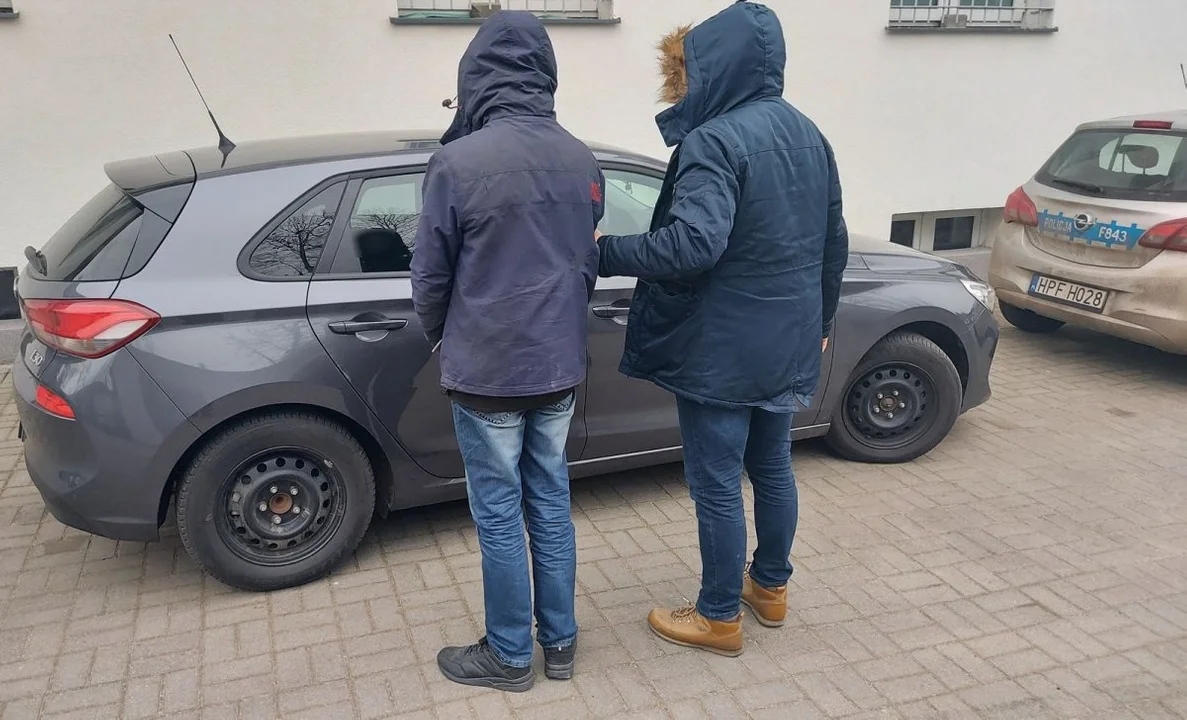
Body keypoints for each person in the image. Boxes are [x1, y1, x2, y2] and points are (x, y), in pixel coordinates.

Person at [594, 0, 848, 657]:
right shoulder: (808, 132)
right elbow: (833, 242)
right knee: (772, 468)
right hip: (786, 339)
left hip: (721, 348)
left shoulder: (713, 140)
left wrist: (604, 251)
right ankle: (770, 587)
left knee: (716, 485)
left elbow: (692, 246)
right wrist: (821, 322)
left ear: (716, 67)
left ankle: (716, 616)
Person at [410, 10, 603, 692]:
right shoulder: (581, 158)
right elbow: (584, 262)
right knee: (549, 500)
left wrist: (440, 334)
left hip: (486, 369)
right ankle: (561, 645)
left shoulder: (456, 162)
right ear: (544, 73)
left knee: (498, 513)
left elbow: (429, 275)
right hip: (556, 368)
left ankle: (510, 655)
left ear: (476, 76)